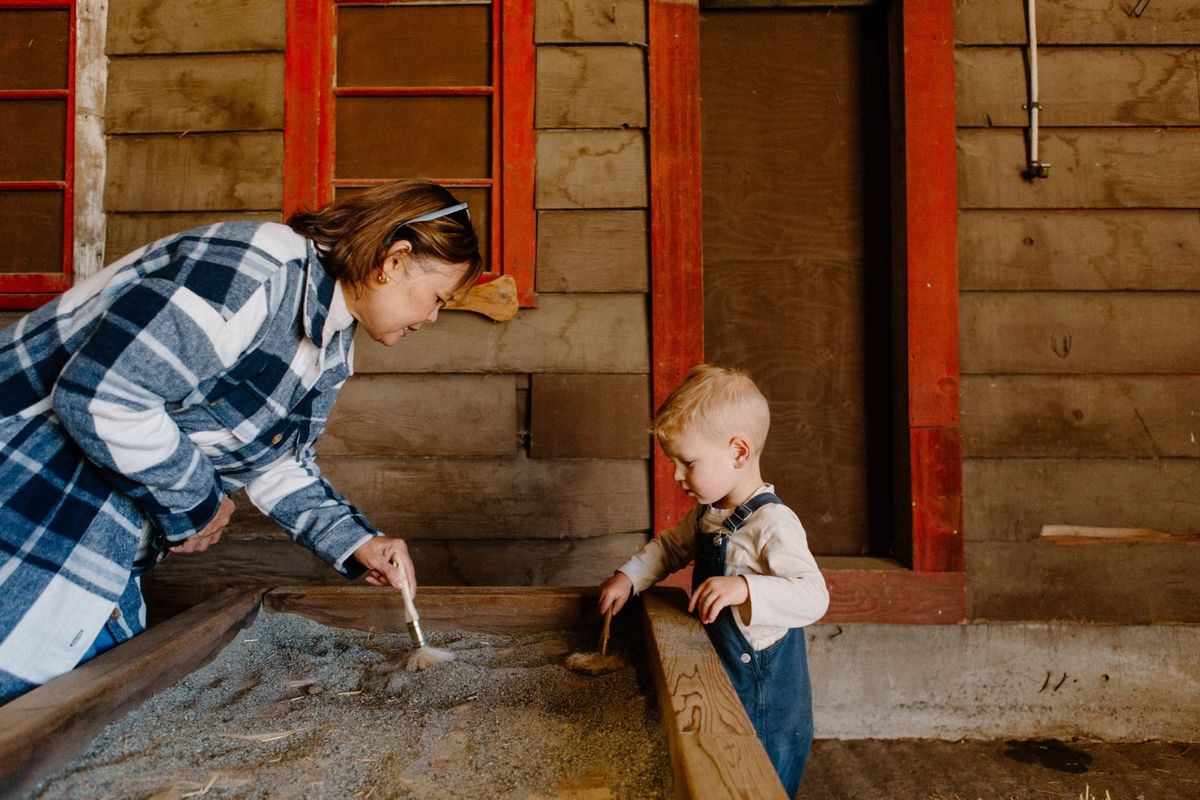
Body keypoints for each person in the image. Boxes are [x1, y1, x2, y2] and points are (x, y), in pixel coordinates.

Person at [0, 180, 482, 704]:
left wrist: (356, 542)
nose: (432, 318)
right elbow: (104, 394)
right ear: (394, 259)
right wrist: (197, 504)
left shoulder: (333, 341)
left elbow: (276, 463)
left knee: (81, 715)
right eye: (437, 298)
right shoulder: (258, 267)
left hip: (106, 552)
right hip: (31, 508)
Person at [597, 363, 830, 794]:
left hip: (766, 702)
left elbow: (814, 597)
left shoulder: (773, 523)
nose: (676, 476)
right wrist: (629, 577)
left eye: (687, 462)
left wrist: (745, 588)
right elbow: (668, 548)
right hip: (720, 676)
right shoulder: (709, 515)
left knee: (757, 783)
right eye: (673, 463)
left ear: (738, 452)